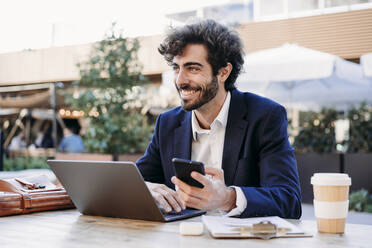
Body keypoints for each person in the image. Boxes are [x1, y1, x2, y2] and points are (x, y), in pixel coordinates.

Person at [136, 20, 301, 218]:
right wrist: (148, 188)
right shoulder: (167, 123)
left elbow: (289, 200)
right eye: (176, 68)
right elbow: (134, 181)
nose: (180, 80)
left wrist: (228, 198)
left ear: (224, 72)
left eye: (193, 68)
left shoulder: (265, 117)